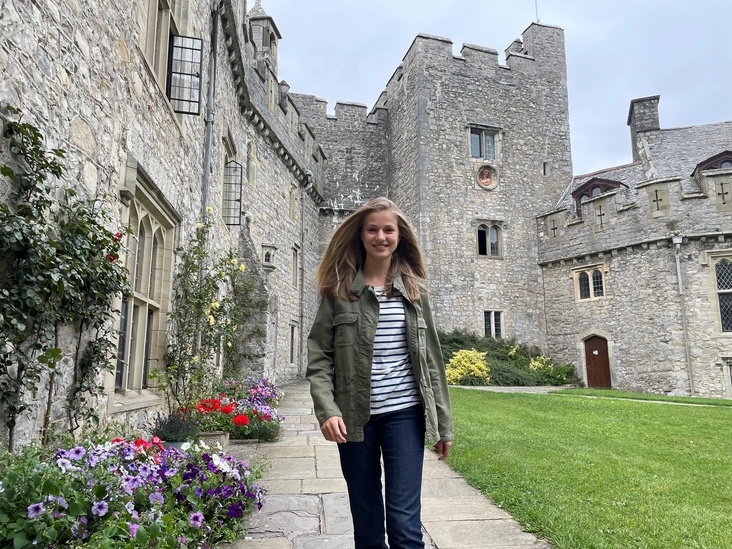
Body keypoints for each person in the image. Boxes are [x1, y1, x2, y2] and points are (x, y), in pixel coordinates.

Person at [306, 197, 453, 549]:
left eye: (389, 229)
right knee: (367, 524)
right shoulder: (339, 292)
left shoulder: (414, 291)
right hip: (354, 418)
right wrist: (327, 410)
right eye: (372, 229)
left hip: (405, 415)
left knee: (405, 525)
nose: (381, 236)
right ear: (361, 235)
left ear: (399, 236)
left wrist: (443, 424)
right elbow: (319, 357)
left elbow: (432, 360)